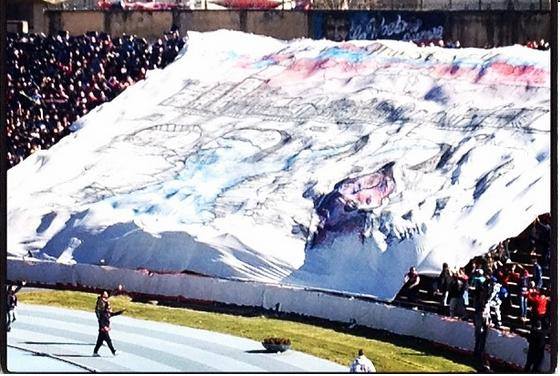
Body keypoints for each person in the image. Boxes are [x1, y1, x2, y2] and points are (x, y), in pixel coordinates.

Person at [93, 290, 125, 356]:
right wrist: (103, 327)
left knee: (99, 342)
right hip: (104, 329)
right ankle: (114, 352)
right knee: (108, 340)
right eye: (109, 308)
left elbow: (113, 314)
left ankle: (95, 352)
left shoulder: (108, 314)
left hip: (104, 329)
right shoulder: (103, 313)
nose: (110, 308)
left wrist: (120, 312)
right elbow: (100, 320)